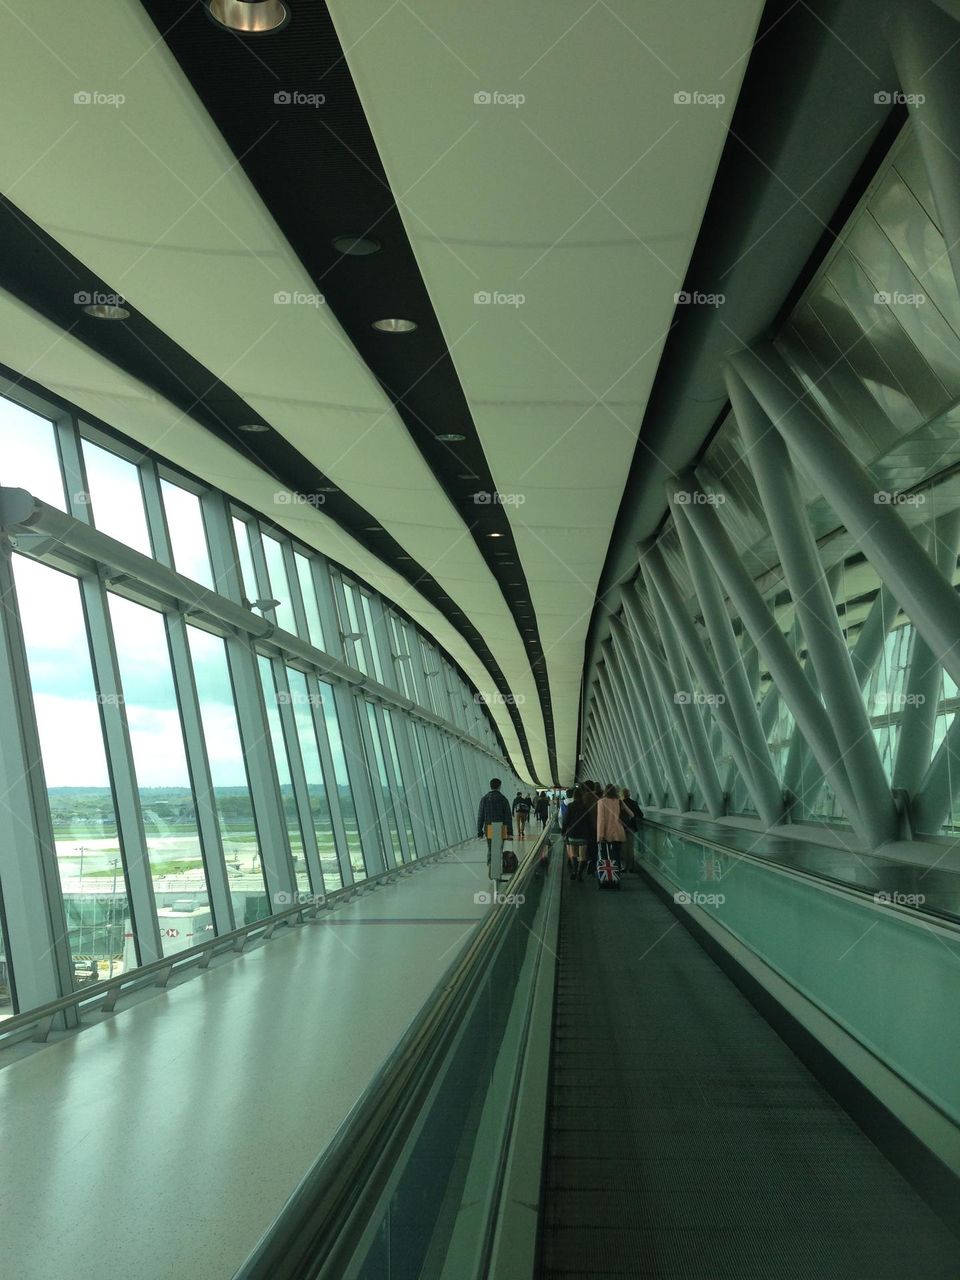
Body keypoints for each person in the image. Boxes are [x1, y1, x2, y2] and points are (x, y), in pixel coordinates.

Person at [477, 778, 513, 875]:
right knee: (498, 849)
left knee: (490, 848)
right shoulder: (503, 799)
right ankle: (497, 870)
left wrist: (479, 831)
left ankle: (491, 866)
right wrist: (510, 833)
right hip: (501, 827)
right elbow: (508, 817)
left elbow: (480, 816)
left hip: (489, 827)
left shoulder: (484, 799)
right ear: (499, 786)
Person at [561, 785, 591, 880]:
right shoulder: (586, 807)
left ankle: (574, 870)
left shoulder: (570, 806)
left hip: (572, 834)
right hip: (583, 834)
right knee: (583, 856)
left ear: (574, 796)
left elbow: (566, 820)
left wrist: (563, 831)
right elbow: (589, 821)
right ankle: (579, 874)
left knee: (573, 854)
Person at [596, 784, 627, 874]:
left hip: (606, 834)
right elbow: (631, 814)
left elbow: (601, 820)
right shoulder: (618, 801)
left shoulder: (602, 802)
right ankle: (617, 876)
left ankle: (607, 877)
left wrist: (600, 835)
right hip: (618, 832)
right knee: (616, 855)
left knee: (605, 856)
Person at [619, 787, 643, 874]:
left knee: (624, 848)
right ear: (629, 794)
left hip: (622, 828)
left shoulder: (620, 803)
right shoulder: (634, 803)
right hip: (631, 827)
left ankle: (625, 866)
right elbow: (640, 815)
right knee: (631, 847)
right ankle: (632, 866)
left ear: (622, 794)